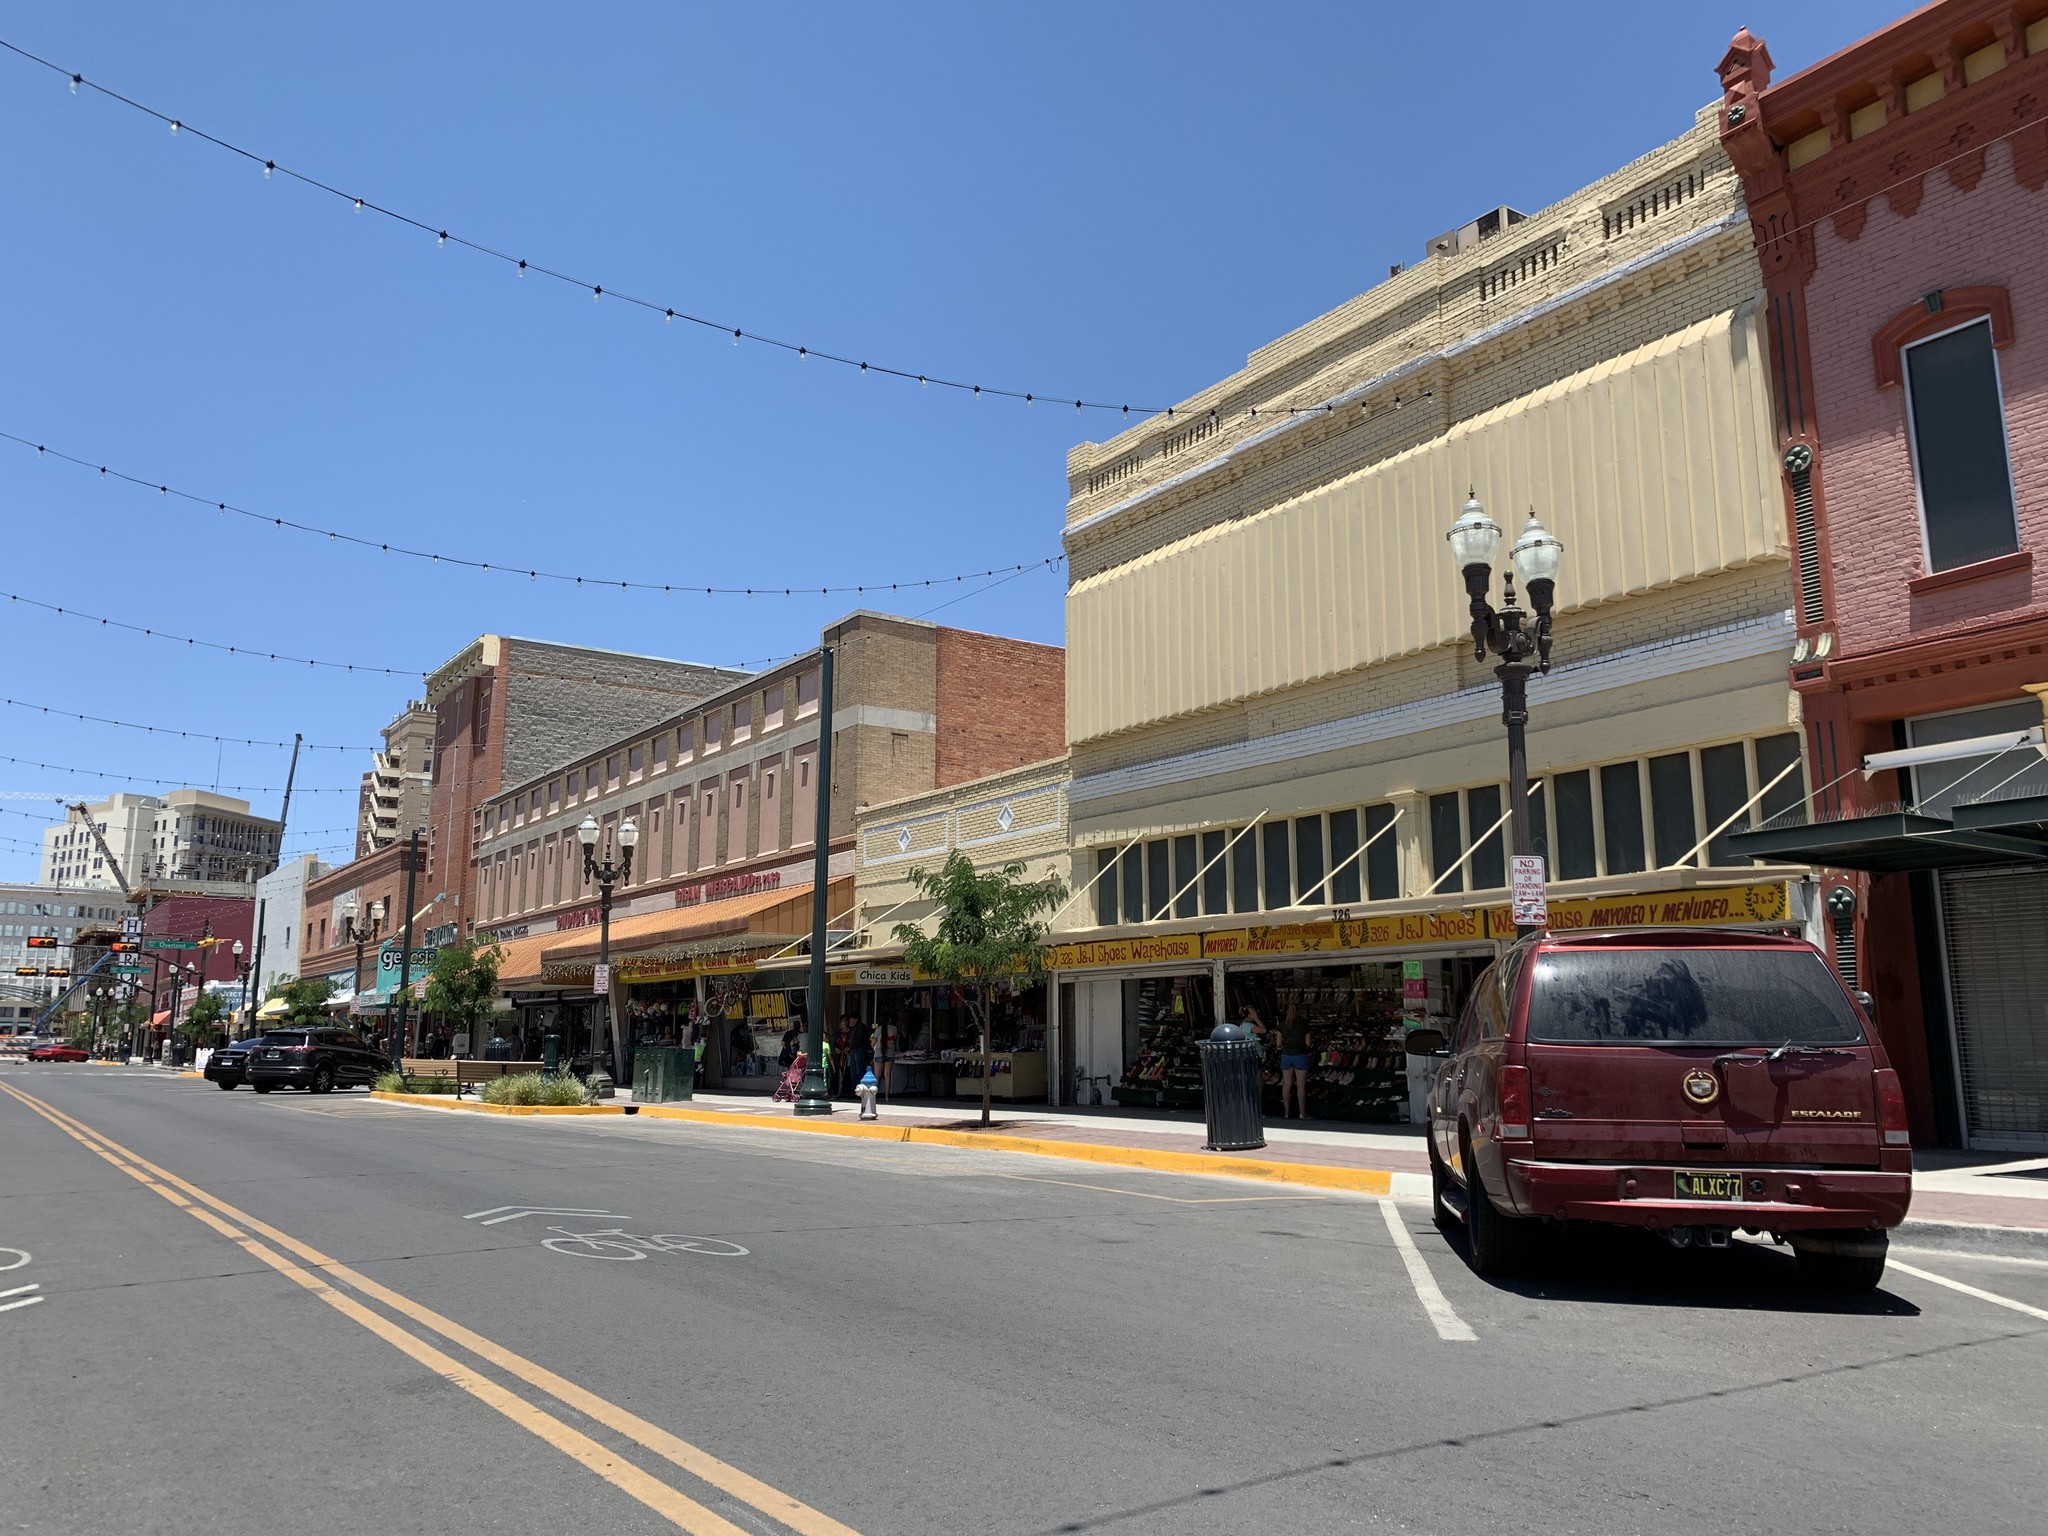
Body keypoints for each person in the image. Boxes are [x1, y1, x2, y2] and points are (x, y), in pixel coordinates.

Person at [1275, 1002, 1313, 1120]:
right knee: (1300, 1085)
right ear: (1298, 1012)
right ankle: (1302, 1113)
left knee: (1287, 1084)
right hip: (1300, 1055)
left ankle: (1286, 1112)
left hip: (1286, 1055)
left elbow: (1278, 1044)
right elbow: (1308, 1043)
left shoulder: (1282, 1025)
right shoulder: (1304, 1025)